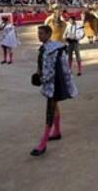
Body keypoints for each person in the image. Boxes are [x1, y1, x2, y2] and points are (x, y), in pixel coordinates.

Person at [30, 26, 78, 156]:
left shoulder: (53, 49)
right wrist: (39, 73)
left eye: (41, 33)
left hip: (53, 84)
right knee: (54, 107)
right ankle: (56, 132)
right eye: (38, 33)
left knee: (49, 113)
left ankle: (43, 144)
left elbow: (51, 70)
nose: (38, 36)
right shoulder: (47, 47)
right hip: (51, 83)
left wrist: (42, 79)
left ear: (49, 34)